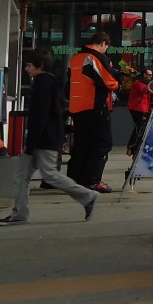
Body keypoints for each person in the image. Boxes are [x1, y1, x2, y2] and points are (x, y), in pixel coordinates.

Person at [0, 47, 98, 224]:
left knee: (48, 175)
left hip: (44, 140)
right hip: (47, 138)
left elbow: (39, 115)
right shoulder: (49, 82)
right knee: (24, 176)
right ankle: (19, 213)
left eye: (29, 65)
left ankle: (88, 196)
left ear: (40, 65)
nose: (27, 69)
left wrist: (30, 142)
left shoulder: (42, 83)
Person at [67, 30, 120, 192]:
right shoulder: (95, 57)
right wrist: (118, 84)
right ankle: (93, 180)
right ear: (103, 43)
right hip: (95, 106)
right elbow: (109, 82)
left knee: (82, 143)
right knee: (102, 143)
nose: (106, 51)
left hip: (77, 106)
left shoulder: (75, 58)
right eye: (106, 47)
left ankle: (74, 179)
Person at [125, 67, 153, 156]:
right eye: (149, 75)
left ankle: (133, 146)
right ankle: (133, 146)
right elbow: (144, 91)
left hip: (142, 108)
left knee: (140, 127)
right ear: (144, 74)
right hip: (137, 108)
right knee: (139, 127)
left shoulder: (144, 82)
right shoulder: (138, 82)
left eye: (151, 75)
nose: (150, 77)